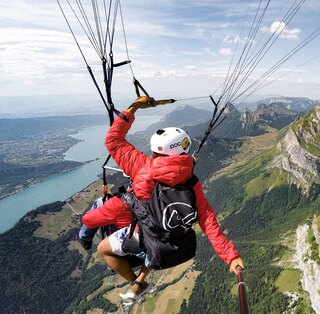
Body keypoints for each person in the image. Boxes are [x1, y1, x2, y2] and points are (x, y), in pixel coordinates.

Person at [80, 96, 244, 302]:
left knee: (103, 249)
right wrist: (231, 256)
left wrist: (133, 108)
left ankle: (135, 282)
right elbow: (209, 222)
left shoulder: (141, 167)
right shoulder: (191, 182)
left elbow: (113, 141)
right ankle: (141, 277)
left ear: (157, 150)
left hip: (144, 239)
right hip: (174, 241)